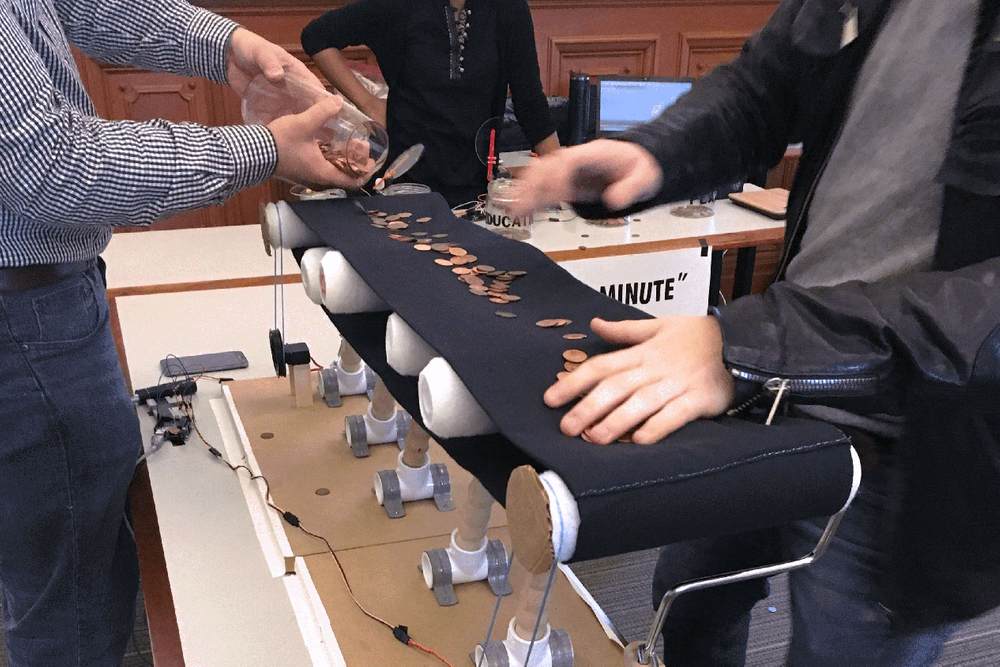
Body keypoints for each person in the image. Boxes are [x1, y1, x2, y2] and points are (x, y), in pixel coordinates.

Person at [510, 0, 1000, 664]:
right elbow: (765, 86)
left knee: (841, 644)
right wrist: (652, 153)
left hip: (917, 456)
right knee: (686, 597)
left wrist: (750, 343)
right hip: (771, 387)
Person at [0, 1, 357, 663]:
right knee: (70, 597)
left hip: (44, 303)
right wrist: (267, 149)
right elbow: (54, 166)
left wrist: (229, 45)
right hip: (25, 323)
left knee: (78, 549)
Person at [301, 0, 560, 207]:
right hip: (403, 186)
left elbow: (530, 103)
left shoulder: (507, 8)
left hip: (477, 193)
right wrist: (368, 104)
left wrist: (569, 185)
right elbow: (316, 36)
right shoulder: (397, 6)